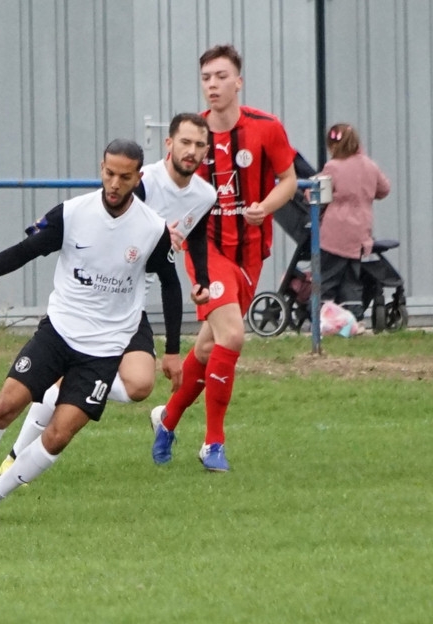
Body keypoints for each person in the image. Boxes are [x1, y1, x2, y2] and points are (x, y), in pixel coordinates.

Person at [0, 139, 209, 521]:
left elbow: (171, 286)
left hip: (104, 350)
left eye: (125, 177)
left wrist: (172, 351)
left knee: (59, 434)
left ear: (138, 178)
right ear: (101, 168)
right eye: (109, 173)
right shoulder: (73, 214)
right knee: (4, 406)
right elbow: (25, 251)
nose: (114, 184)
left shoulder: (151, 229)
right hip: (57, 334)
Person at [0, 113, 217, 475]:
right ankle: (16, 455)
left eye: (199, 144)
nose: (191, 150)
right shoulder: (143, 182)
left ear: (207, 150)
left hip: (131, 304)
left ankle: (71, 383)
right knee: (52, 383)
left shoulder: (205, 194)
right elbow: (108, 216)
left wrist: (202, 280)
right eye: (185, 142)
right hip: (98, 300)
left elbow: (195, 239)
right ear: (169, 144)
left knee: (140, 386)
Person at [150, 44, 297, 472]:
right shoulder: (194, 139)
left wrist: (266, 206)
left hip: (250, 252)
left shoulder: (266, 127)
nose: (212, 85)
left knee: (210, 344)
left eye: (220, 76)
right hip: (207, 249)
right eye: (205, 78)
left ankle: (168, 419)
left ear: (238, 81)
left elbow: (289, 179)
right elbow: (165, 187)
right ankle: (213, 443)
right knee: (232, 335)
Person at [317, 123, 391, 321]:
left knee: (327, 278)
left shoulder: (333, 167)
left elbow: (317, 194)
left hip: (334, 233)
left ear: (333, 145)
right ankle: (353, 317)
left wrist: (307, 192)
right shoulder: (370, 165)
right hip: (359, 234)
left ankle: (323, 317)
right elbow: (384, 189)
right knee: (351, 279)